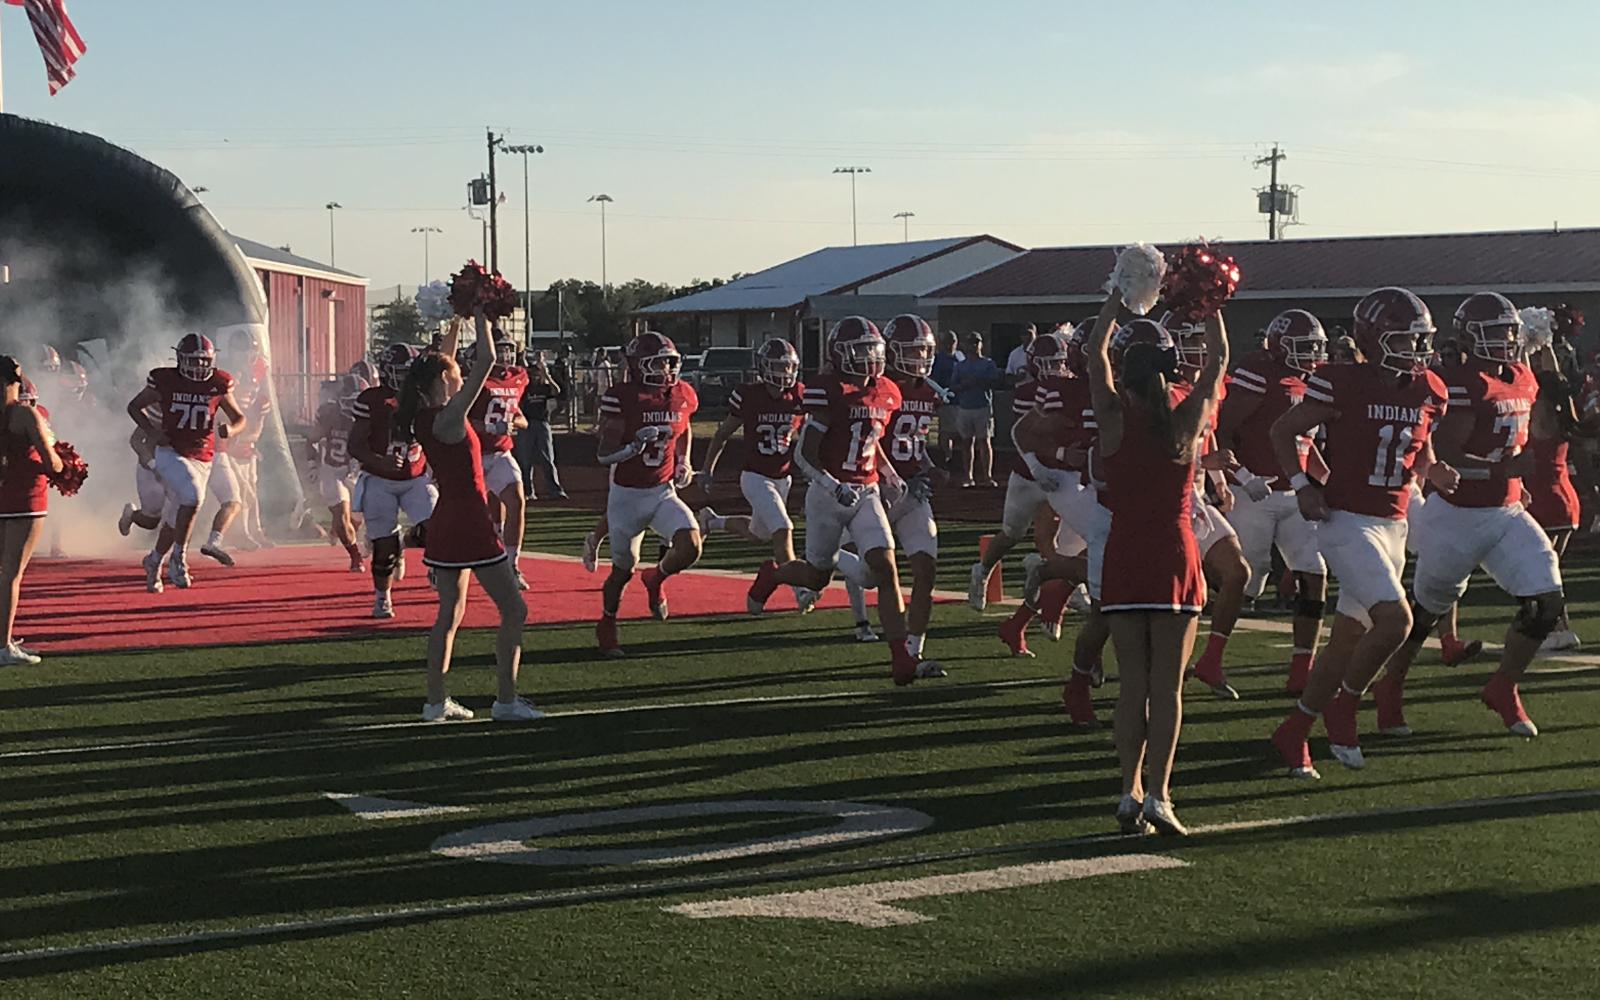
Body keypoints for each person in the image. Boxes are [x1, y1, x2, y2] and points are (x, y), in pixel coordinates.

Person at [1268, 287, 1454, 778]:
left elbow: (1421, 450)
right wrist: (1302, 483)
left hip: (1393, 523)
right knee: (1396, 622)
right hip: (1346, 522)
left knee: (1348, 638)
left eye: (1421, 341)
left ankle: (1294, 730)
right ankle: (1346, 704)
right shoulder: (1341, 381)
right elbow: (1283, 431)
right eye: (1405, 339)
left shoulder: (1430, 389)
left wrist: (1434, 473)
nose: (1417, 350)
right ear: (1373, 339)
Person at [1366, 292, 1565, 745]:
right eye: (1496, 331)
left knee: (1546, 601)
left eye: (1510, 331)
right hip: (1455, 513)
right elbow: (1450, 456)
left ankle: (1504, 686)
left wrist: (1513, 475)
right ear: (1470, 336)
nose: (1507, 339)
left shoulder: (1521, 377)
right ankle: (1390, 685)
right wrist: (1500, 469)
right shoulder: (1461, 382)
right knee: (1422, 616)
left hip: (1507, 509)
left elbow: (1523, 436)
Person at [1087, 292, 1228, 837]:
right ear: (1171, 370)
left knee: (1132, 684)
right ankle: (1161, 795)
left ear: (1125, 371)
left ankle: (1128, 790)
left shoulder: (1113, 417)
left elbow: (1093, 356)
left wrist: (1115, 304)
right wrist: (1208, 301)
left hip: (1125, 554)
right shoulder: (1187, 418)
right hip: (1174, 554)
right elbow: (1218, 360)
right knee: (1168, 687)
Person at [747, 317, 945, 685]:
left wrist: (891, 477)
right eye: (862, 350)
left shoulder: (888, 391)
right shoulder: (828, 390)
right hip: (827, 496)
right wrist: (832, 484)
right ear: (840, 354)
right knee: (816, 577)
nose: (870, 357)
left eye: (873, 349)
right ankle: (773, 575)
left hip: (866, 490)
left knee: (886, 570)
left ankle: (901, 657)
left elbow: (873, 445)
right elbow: (805, 454)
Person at [396, 310, 539, 723]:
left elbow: (445, 361)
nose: (459, 373)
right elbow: (487, 362)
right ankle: (507, 701)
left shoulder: (428, 416)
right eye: (453, 371)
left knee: (450, 615)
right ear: (443, 382)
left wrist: (456, 326)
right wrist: (481, 313)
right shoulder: (450, 417)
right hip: (471, 520)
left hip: (447, 520)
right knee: (514, 610)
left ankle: (435, 702)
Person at [1217, 309, 1330, 696]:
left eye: (1316, 346)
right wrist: (1241, 477)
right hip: (1257, 492)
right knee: (1245, 581)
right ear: (1280, 345)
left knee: (1313, 574)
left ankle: (1303, 667)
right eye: (1305, 346)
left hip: (1295, 493)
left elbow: (1304, 443)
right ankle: (1210, 659)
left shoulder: (1311, 381)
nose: (1313, 354)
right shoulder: (1259, 372)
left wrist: (1328, 481)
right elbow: (1222, 429)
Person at [594, 332, 702, 657]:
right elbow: (602, 455)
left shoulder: (682, 393)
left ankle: (656, 578)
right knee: (622, 571)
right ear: (639, 366)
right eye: (659, 363)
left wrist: (685, 461)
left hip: (662, 491)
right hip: (626, 496)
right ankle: (607, 621)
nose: (667, 370)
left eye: (670, 363)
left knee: (691, 545)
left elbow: (683, 429)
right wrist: (631, 449)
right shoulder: (623, 397)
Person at [125, 333, 246, 592]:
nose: (199, 367)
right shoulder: (164, 380)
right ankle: (179, 558)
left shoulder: (218, 382)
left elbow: (239, 418)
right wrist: (150, 431)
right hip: (170, 451)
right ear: (180, 359)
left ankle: (154, 560)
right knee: (193, 495)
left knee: (174, 517)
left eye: (204, 361)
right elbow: (134, 406)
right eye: (193, 360)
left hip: (202, 456)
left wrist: (231, 431)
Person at [701, 338, 807, 612]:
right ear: (763, 367)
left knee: (758, 531)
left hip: (783, 477)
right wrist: (707, 469)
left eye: (787, 367)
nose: (783, 373)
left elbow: (807, 438)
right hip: (755, 476)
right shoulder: (749, 394)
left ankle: (711, 522)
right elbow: (723, 433)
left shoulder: (799, 395)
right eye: (777, 366)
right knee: (783, 528)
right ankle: (800, 590)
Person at [964, 329, 1053, 611]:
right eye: (1050, 362)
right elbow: (1028, 434)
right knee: (1011, 534)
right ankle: (982, 570)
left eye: (1060, 361)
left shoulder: (1073, 388)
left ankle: (1065, 584)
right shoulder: (1027, 392)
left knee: (1061, 539)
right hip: (1028, 474)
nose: (1057, 368)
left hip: (1059, 477)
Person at [350, 342, 439, 619]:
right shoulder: (372, 399)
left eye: (408, 371)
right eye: (399, 371)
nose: (404, 377)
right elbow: (355, 445)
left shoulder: (425, 396)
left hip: (415, 477)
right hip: (380, 478)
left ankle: (406, 543)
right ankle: (383, 598)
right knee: (384, 547)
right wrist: (380, 461)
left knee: (437, 529)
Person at [876, 315, 944, 658]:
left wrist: (932, 467)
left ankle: (913, 649)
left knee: (926, 569)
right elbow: (868, 444)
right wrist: (892, 478)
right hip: (878, 489)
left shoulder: (929, 392)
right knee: (867, 570)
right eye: (913, 351)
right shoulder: (881, 387)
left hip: (913, 490)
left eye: (924, 351)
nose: (920, 358)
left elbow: (914, 441)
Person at [0, 358, 64, 665]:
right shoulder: (25, 414)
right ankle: (3, 646)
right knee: (11, 575)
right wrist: (67, 466)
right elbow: (52, 463)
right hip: (24, 501)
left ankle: (4, 637)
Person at [1524, 331, 1582, 651]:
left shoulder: (1539, 413)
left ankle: (1554, 629)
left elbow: (1523, 385)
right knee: (1551, 570)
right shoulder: (1562, 411)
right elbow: (1551, 376)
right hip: (1566, 501)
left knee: (1543, 574)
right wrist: (1543, 342)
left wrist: (1521, 349)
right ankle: (1559, 627)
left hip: (1544, 502)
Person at [468, 329, 532, 589]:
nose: (505, 354)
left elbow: (521, 418)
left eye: (508, 348)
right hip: (471, 455)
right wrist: (487, 427)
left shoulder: (518, 378)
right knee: (465, 515)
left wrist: (510, 422)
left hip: (500, 453)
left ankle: (511, 564)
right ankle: (441, 562)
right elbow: (457, 418)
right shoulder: (473, 381)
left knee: (516, 501)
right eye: (499, 348)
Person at [306, 373, 369, 572]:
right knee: (342, 516)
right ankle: (355, 556)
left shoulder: (372, 417)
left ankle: (338, 528)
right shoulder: (329, 414)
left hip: (358, 471)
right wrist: (312, 465)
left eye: (358, 402)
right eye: (351, 401)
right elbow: (311, 439)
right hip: (332, 469)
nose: (354, 407)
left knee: (361, 517)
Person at [517, 353, 568, 501]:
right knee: (525, 461)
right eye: (533, 374)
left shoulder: (544, 388)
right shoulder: (525, 389)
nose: (535, 377)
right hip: (526, 425)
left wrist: (546, 373)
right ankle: (528, 492)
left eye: (537, 374)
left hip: (542, 423)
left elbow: (557, 391)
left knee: (547, 459)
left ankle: (555, 490)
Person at [952, 333, 1001, 487]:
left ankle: (987, 476)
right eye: (970, 343)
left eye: (976, 342)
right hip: (965, 407)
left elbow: (995, 382)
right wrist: (964, 385)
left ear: (981, 344)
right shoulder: (960, 366)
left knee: (984, 442)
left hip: (982, 407)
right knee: (966, 443)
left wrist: (978, 381)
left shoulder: (988, 364)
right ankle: (968, 476)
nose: (973, 346)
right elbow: (954, 386)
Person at [931, 331, 964, 459]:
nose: (950, 345)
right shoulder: (938, 359)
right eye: (947, 342)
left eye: (953, 342)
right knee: (946, 431)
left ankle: (956, 456)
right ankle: (946, 456)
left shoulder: (960, 356)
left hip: (962, 401)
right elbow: (933, 379)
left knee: (961, 431)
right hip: (947, 401)